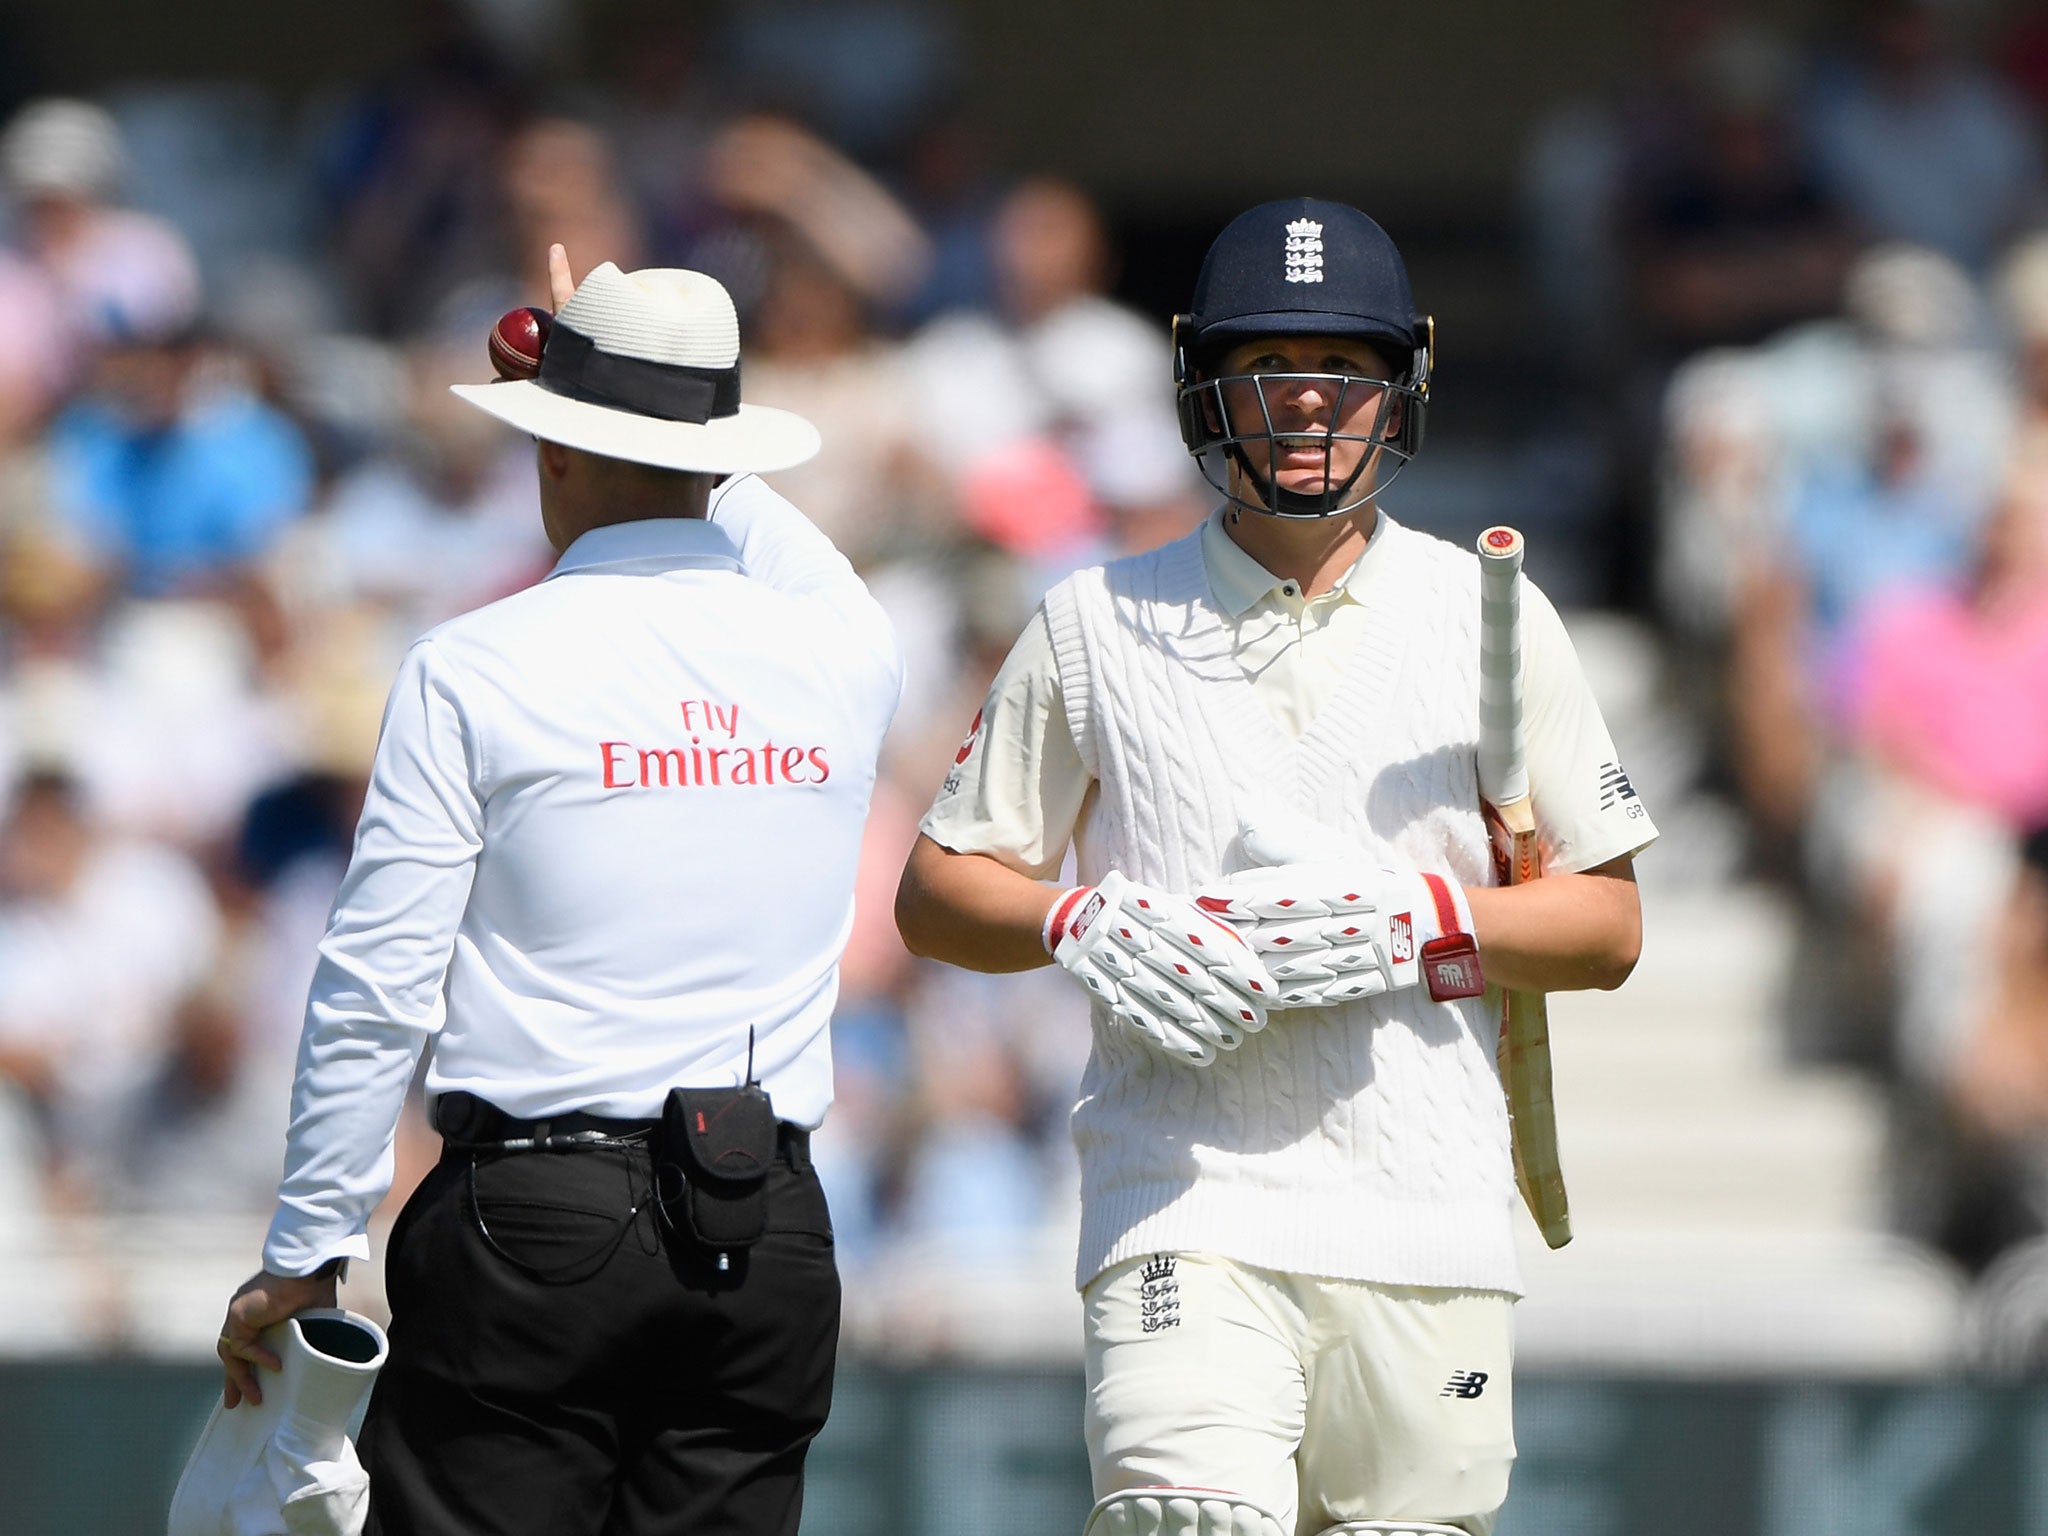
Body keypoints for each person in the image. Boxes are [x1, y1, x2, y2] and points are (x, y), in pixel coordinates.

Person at [895, 199, 1657, 1536]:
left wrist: (1425, 923)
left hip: (1430, 1215)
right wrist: (1075, 918)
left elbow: (1604, 926)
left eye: (1343, 373)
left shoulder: (1493, 617)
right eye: (1266, 371)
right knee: (1185, 1521)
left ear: (1399, 388)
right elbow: (939, 890)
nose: (1306, 407)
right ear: (1203, 385)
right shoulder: (1092, 622)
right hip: (1184, 1196)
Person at [213, 245, 902, 1536]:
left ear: (552, 451)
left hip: (533, 1231)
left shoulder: (477, 664)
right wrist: (648, 396)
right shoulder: (845, 651)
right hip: (767, 1232)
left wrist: (308, 1251)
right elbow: (776, 535)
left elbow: (378, 981)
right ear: (719, 454)